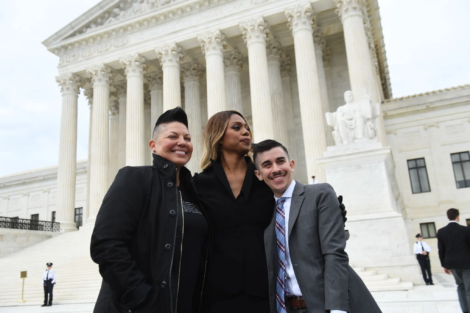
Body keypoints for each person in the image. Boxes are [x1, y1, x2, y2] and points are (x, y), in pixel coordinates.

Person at [192, 111, 346, 313]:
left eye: (247, 127)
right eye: (237, 127)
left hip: (267, 295)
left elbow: (294, 214)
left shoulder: (265, 182)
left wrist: (334, 212)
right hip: (216, 295)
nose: (246, 131)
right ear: (218, 136)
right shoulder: (198, 185)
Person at [91, 107, 210, 313]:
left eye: (187, 138)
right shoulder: (135, 179)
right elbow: (106, 242)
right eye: (173, 136)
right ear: (153, 146)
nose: (182, 142)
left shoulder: (194, 193)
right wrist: (140, 296)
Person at [253, 139, 381, 313]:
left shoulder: (319, 195)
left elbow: (334, 253)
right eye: (267, 165)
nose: (276, 169)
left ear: (291, 164)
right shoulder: (262, 214)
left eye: (280, 161)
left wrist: (337, 309)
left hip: (325, 305)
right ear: (259, 174)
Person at [437, 208, 470, 313]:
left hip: (452, 264)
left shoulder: (441, 231)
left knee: (461, 286)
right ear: (458, 217)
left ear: (448, 217)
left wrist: (444, 265)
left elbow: (441, 250)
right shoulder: (466, 230)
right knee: (469, 288)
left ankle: (465, 310)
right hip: (467, 264)